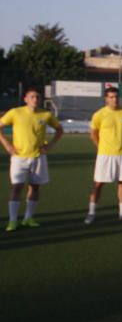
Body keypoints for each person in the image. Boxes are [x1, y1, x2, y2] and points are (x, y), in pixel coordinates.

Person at [1, 87, 63, 231]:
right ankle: (12, 220)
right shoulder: (15, 113)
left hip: (38, 158)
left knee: (35, 187)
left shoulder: (46, 114)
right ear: (25, 99)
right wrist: (8, 145)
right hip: (19, 158)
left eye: (37, 97)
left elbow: (60, 130)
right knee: (16, 187)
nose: (35, 99)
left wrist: (50, 145)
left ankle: (28, 218)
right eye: (32, 97)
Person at [85, 87, 122, 224]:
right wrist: (101, 147)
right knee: (99, 184)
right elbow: (93, 134)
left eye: (116, 97)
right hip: (105, 155)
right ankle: (91, 213)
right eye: (111, 97)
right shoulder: (99, 114)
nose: (114, 99)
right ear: (106, 99)